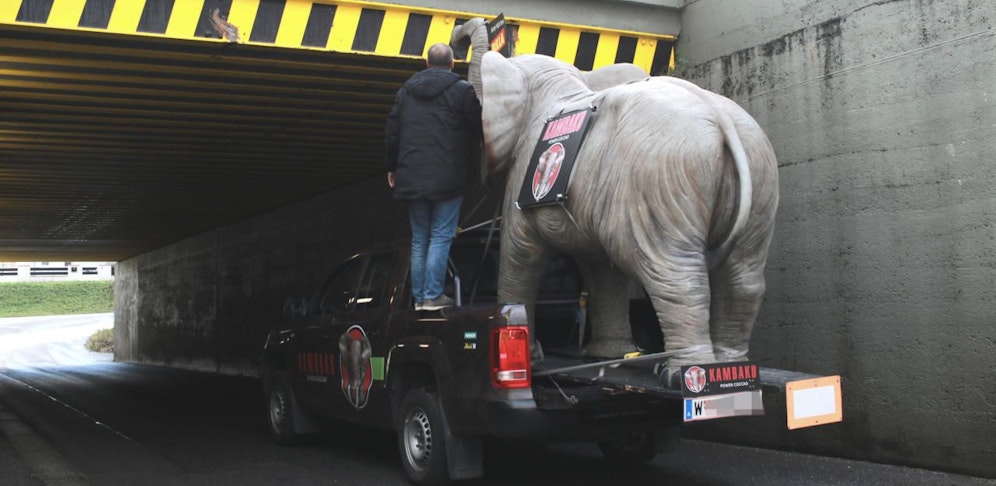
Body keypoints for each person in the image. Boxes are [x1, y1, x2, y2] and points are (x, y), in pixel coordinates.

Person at [385, 43, 483, 311]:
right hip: (449, 177)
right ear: (452, 64)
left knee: (420, 238)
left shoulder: (405, 93)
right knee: (440, 235)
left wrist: (392, 167)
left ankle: (419, 299)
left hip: (411, 175)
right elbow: (479, 127)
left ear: (427, 64)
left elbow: (392, 133)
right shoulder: (462, 91)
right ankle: (432, 295)